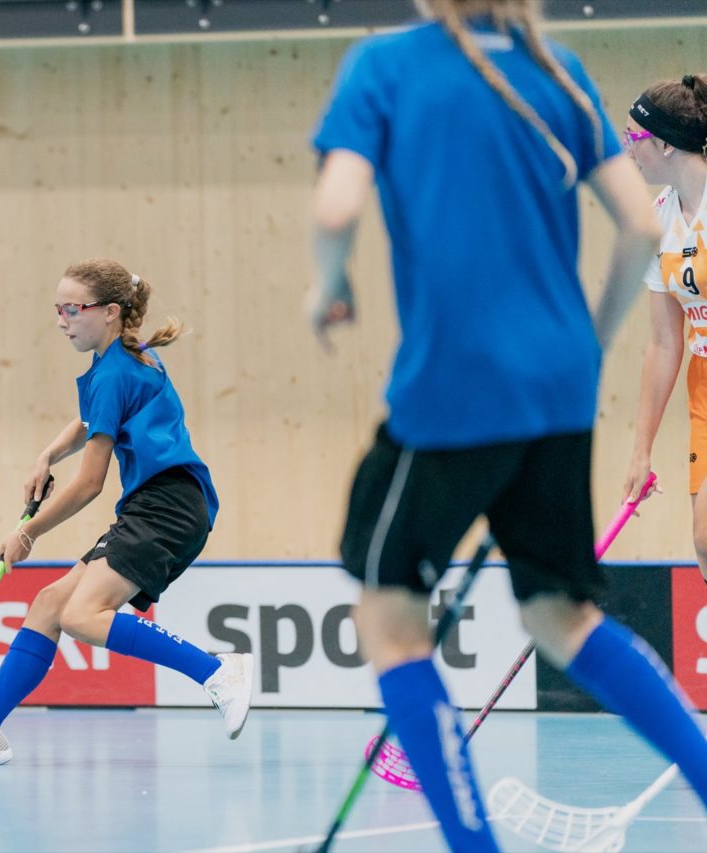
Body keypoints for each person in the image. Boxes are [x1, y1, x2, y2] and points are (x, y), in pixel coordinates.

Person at [308, 1, 707, 849]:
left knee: (388, 612)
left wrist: (328, 285)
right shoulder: (557, 68)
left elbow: (336, 208)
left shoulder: (385, 66)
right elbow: (639, 225)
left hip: (453, 384)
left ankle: (472, 842)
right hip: (559, 385)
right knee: (561, 614)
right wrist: (588, 341)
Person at [0, 258, 253, 765]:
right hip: (157, 503)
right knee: (50, 604)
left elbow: (90, 484)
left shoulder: (115, 370)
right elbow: (91, 419)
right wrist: (48, 455)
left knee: (82, 616)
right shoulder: (124, 357)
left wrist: (27, 532)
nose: (61, 321)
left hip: (168, 507)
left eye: (72, 309)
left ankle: (216, 671)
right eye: (58, 309)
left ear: (110, 311)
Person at [621, 74, 707, 580]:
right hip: (703, 387)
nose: (628, 149)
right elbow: (664, 342)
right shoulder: (660, 219)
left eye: (634, 137)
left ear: (667, 144)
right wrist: (642, 450)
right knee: (704, 542)